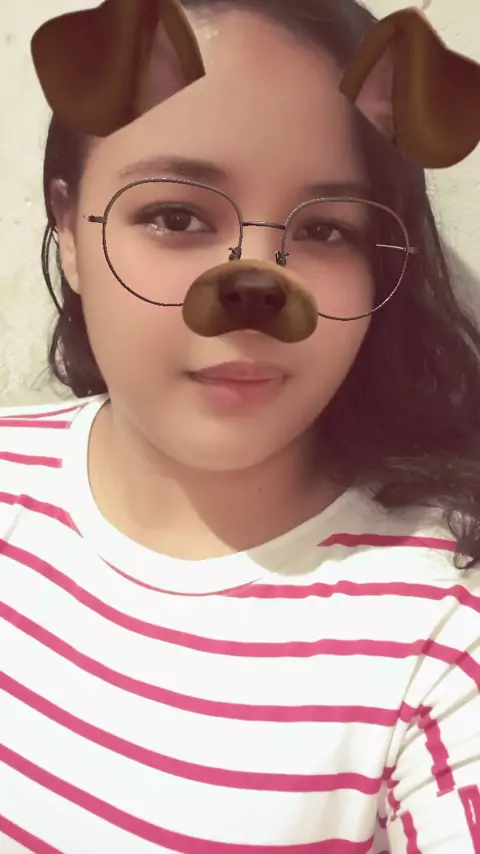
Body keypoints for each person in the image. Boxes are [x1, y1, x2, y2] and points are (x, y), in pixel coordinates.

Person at [1, 0, 480, 850]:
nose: (254, 287)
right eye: (177, 217)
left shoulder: (446, 636)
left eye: (326, 229)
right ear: (69, 229)